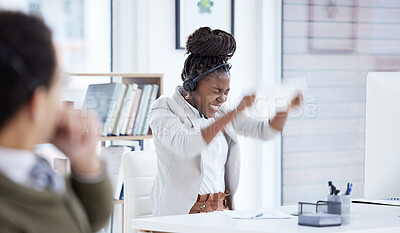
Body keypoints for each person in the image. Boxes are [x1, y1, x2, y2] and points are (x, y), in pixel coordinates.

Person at [149, 27, 302, 216]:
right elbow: (186, 146)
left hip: (221, 210)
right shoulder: (164, 109)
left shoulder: (221, 112)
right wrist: (235, 112)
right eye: (216, 92)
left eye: (226, 92)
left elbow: (264, 132)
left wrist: (284, 108)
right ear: (191, 85)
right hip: (183, 215)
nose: (222, 100)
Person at [0, 11, 112, 232]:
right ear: (38, 102)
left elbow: (83, 221)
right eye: (60, 81)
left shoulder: (29, 168)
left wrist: (85, 162)